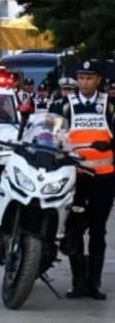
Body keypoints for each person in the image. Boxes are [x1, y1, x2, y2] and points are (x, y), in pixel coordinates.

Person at [61, 60, 115, 300]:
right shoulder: (66, 105)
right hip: (76, 178)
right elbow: (53, 132)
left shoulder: (109, 106)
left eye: (89, 78)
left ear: (98, 80)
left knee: (98, 231)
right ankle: (77, 283)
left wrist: (111, 144)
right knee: (74, 230)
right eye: (81, 78)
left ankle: (94, 284)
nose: (84, 82)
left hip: (103, 179)